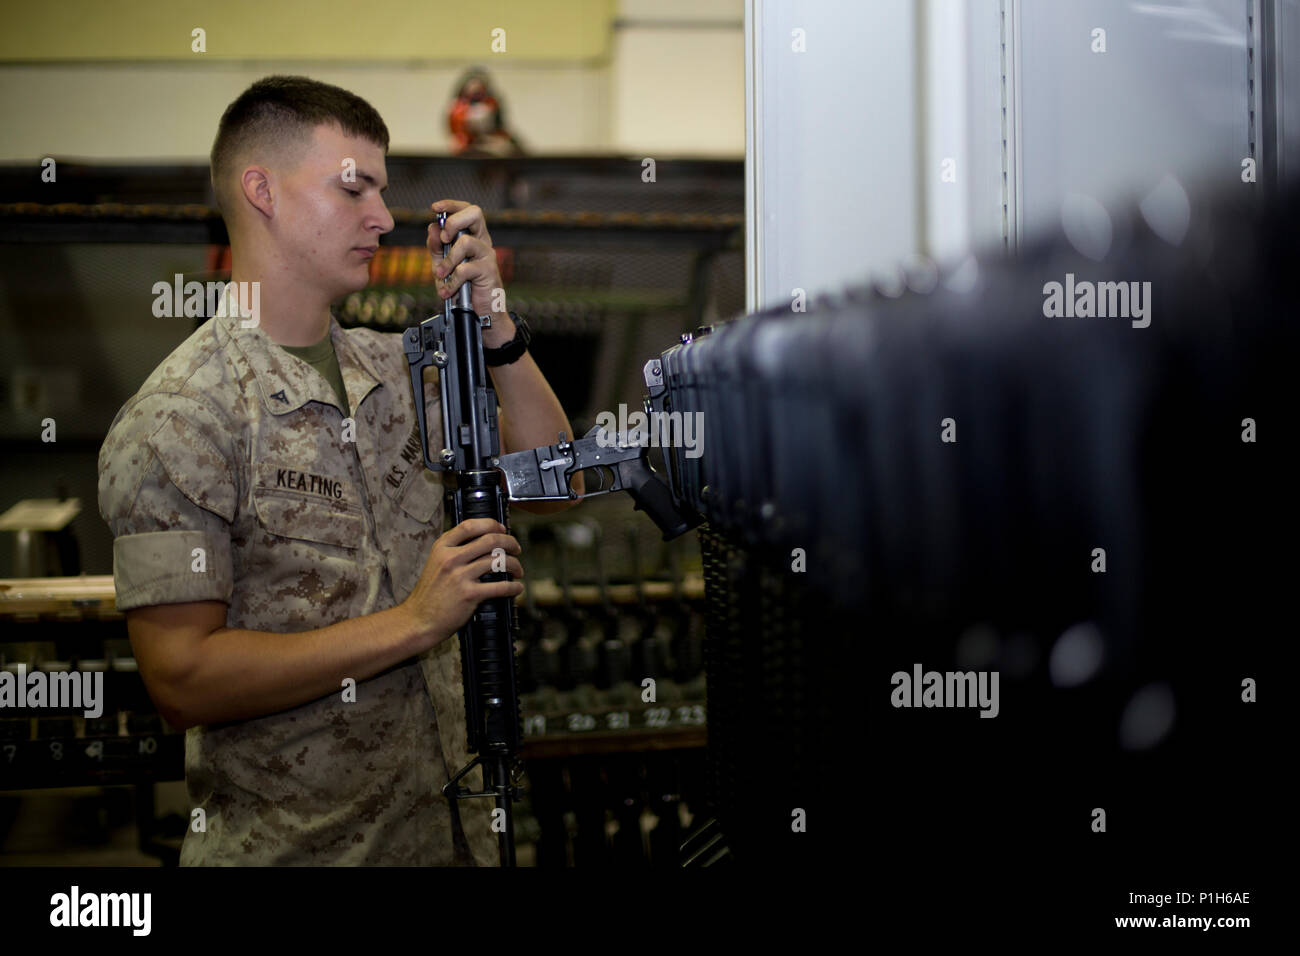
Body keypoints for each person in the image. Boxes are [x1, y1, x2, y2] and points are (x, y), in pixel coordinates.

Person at [97, 75, 582, 865]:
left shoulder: (395, 370)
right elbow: (182, 680)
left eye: (384, 192)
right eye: (354, 187)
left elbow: (556, 481)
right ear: (263, 191)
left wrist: (493, 318)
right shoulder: (182, 415)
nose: (383, 218)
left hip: (454, 841)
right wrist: (416, 622)